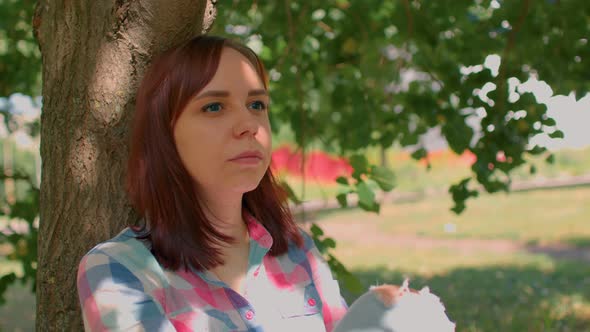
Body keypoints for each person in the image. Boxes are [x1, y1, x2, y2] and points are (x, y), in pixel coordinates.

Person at [76, 35, 349, 331]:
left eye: (256, 104)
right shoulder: (118, 270)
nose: (249, 125)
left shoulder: (297, 251)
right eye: (215, 107)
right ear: (164, 134)